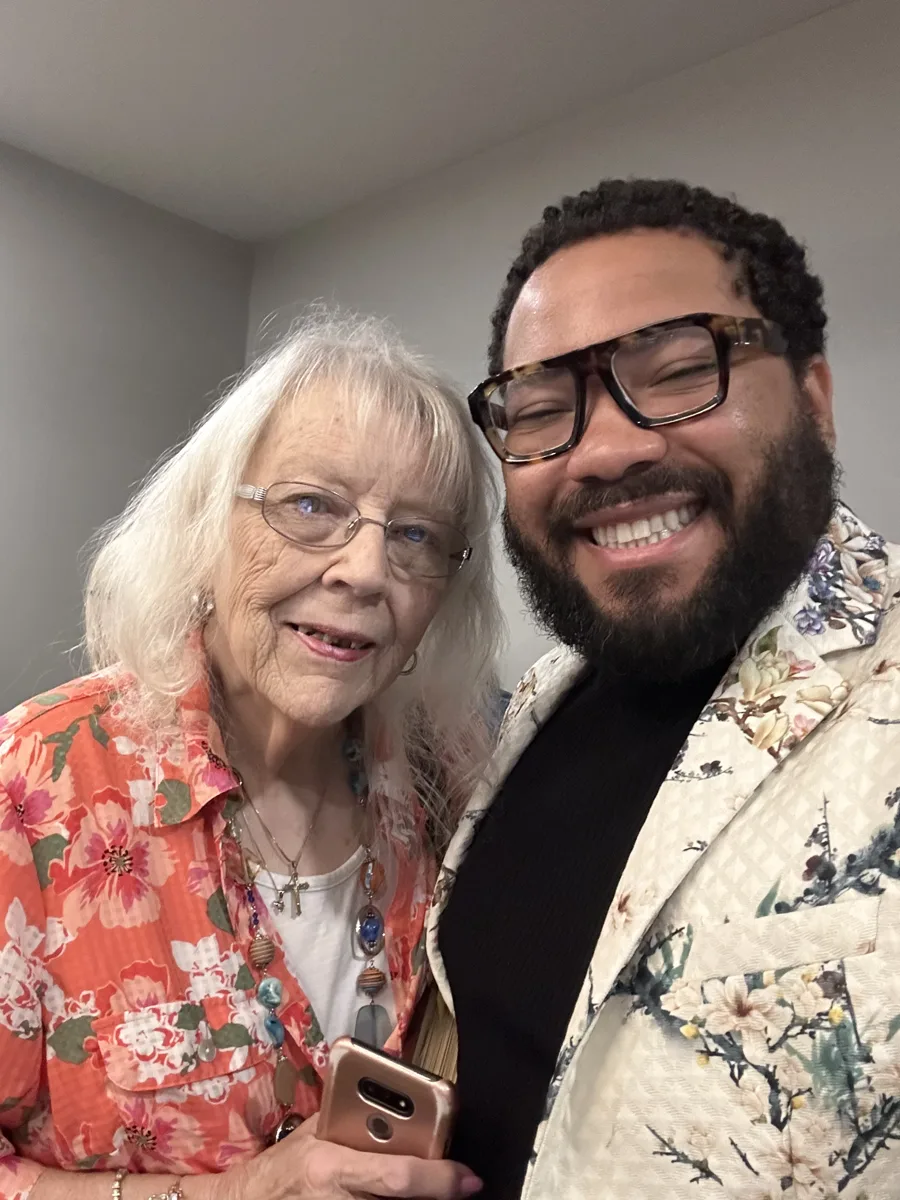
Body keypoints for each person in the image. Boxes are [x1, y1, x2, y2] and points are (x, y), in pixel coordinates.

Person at [430, 179, 900, 1198]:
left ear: (813, 399)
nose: (602, 450)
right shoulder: (541, 700)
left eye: (682, 370)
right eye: (543, 410)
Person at [0, 312, 500, 1200]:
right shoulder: (32, 783)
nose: (365, 569)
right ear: (206, 523)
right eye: (313, 506)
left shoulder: (446, 788)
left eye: (416, 534)